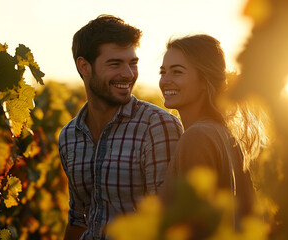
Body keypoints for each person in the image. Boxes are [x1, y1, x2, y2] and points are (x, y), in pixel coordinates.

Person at [58, 15, 182, 240]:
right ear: (84, 66)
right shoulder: (69, 136)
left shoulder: (157, 127)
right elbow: (78, 220)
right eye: (115, 64)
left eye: (132, 63)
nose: (128, 74)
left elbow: (166, 224)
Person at [159, 34, 267, 231]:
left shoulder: (197, 137)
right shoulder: (225, 134)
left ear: (204, 80)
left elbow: (196, 225)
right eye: (162, 72)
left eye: (177, 72)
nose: (165, 81)